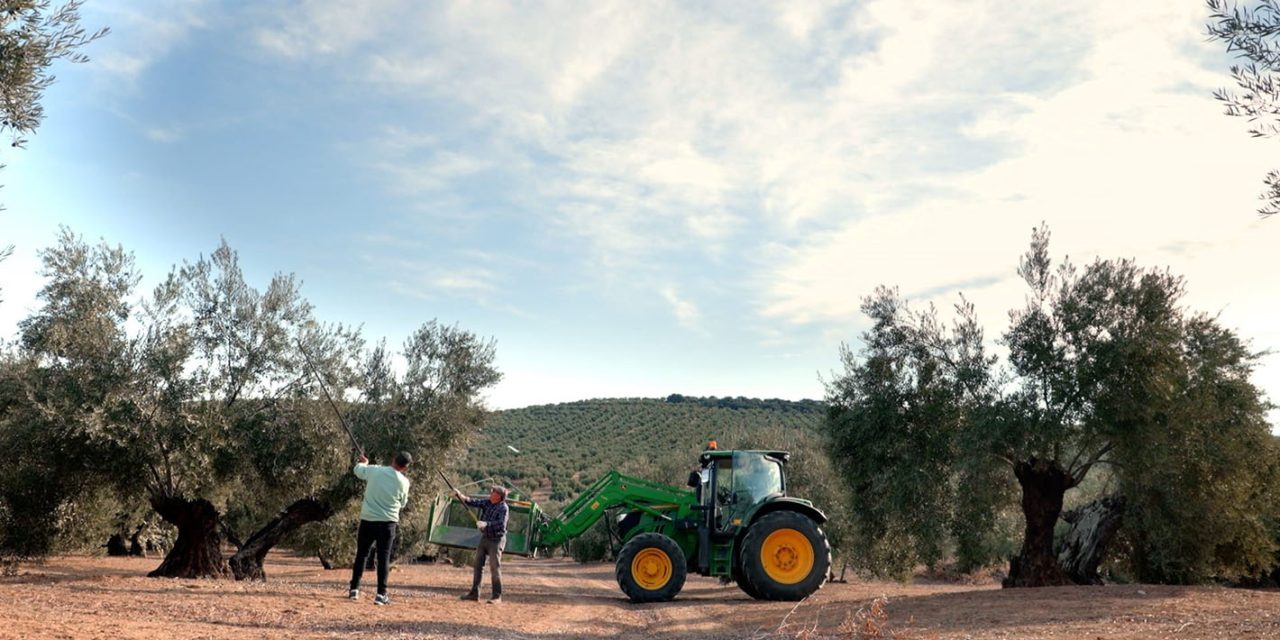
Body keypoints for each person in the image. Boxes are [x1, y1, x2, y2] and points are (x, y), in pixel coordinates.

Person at [348, 451, 412, 606]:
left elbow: (358, 471)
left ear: (393, 459)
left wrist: (364, 463)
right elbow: (403, 503)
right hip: (388, 523)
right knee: (383, 558)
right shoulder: (404, 482)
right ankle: (381, 594)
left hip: (368, 519)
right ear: (405, 468)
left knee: (362, 554)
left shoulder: (375, 470)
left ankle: (354, 589)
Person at [456, 485, 509, 604]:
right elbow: (474, 502)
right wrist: (460, 496)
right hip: (485, 538)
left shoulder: (503, 508)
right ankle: (474, 594)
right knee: (478, 565)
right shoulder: (488, 502)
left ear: (499, 496)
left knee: (495, 567)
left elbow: (501, 525)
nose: (490, 493)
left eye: (493, 492)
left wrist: (487, 524)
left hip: (497, 540)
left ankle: (497, 597)